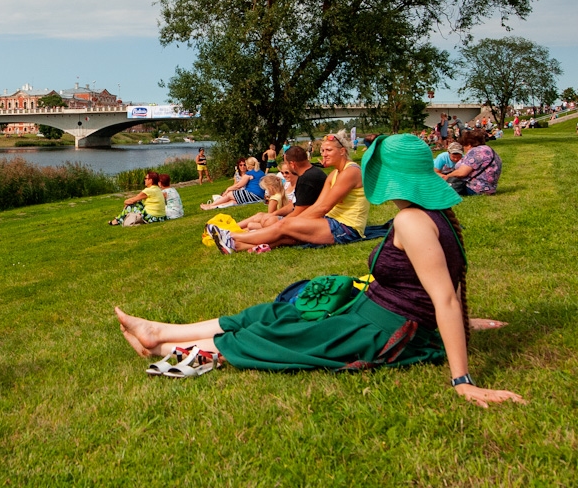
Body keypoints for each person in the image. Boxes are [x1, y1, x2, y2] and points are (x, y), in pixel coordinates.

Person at [115, 133, 526, 408]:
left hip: (382, 329)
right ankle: (162, 331)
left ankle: (166, 349)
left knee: (283, 336)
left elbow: (444, 297)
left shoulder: (413, 223)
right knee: (274, 313)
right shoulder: (435, 213)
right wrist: (467, 322)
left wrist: (463, 381)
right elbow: (437, 287)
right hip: (370, 309)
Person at [212, 131, 368, 253]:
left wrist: (293, 222)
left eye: (328, 150)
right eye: (322, 150)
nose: (324, 154)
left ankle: (231, 237)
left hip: (346, 228)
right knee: (286, 237)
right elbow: (319, 204)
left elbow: (323, 208)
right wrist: (297, 223)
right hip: (330, 221)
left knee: (285, 226)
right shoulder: (335, 174)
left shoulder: (351, 172)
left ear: (342, 151)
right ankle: (238, 246)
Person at [441, 130, 502, 196]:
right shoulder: (490, 150)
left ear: (469, 144)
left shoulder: (475, 151)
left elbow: (462, 173)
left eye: (464, 146)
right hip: (489, 188)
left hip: (475, 188)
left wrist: (447, 176)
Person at [200, 157, 266, 210]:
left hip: (252, 194)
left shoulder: (249, 174)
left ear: (248, 165)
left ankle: (210, 205)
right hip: (260, 196)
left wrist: (228, 189)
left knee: (229, 195)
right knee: (233, 202)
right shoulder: (261, 173)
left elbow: (238, 185)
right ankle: (213, 207)